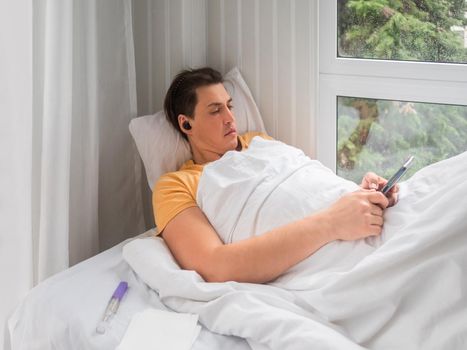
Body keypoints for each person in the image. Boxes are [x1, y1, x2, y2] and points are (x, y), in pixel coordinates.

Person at [154, 67, 398, 284]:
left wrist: (362, 193)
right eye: (215, 111)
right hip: (337, 256)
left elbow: (304, 189)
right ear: (186, 124)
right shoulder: (176, 185)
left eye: (229, 106)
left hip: (368, 218)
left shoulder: (259, 141)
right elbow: (214, 266)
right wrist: (333, 222)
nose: (230, 118)